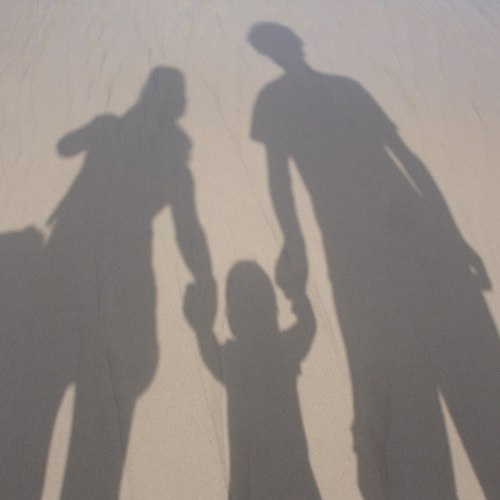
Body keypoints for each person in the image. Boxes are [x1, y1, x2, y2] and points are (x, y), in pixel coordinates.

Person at [249, 22, 500, 499]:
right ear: (273, 50)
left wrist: (453, 237)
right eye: (275, 43)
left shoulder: (343, 89)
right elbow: (280, 181)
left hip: (413, 240)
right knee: (407, 395)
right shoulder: (276, 101)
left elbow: (404, 158)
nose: (286, 47)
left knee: (474, 381)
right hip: (358, 252)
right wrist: (295, 244)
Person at [48, 66, 215, 499]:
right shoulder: (172, 160)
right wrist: (206, 278)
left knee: (66, 395)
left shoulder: (118, 133)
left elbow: (65, 146)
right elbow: (188, 229)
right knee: (105, 401)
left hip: (78, 260)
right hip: (120, 268)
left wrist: (99, 130)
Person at [184, 260, 320, 499]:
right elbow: (308, 325)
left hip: (249, 481)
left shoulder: (233, 359)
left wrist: (201, 327)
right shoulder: (283, 349)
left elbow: (210, 354)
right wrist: (295, 292)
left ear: (232, 317)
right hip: (295, 477)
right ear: (273, 309)